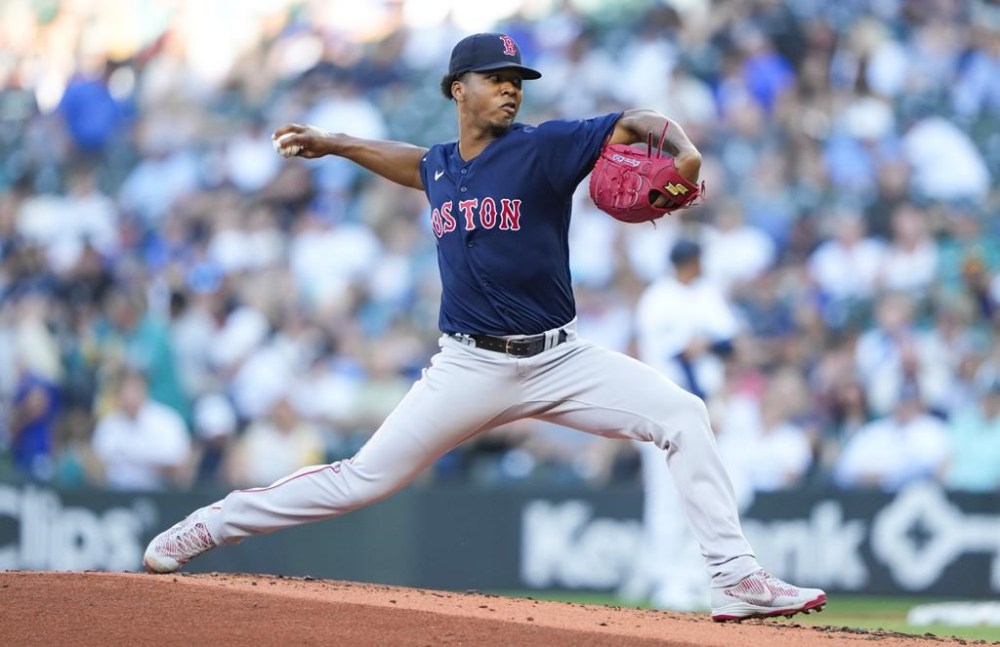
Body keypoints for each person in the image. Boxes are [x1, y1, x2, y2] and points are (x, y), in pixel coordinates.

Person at [143, 32, 825, 622]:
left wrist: (684, 150)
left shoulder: (543, 148)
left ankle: (735, 576)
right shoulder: (441, 166)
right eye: (495, 79)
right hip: (469, 367)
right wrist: (338, 142)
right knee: (361, 479)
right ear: (456, 89)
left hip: (560, 359)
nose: (510, 89)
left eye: (516, 80)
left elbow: (632, 122)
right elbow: (411, 162)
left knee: (683, 414)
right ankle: (210, 525)